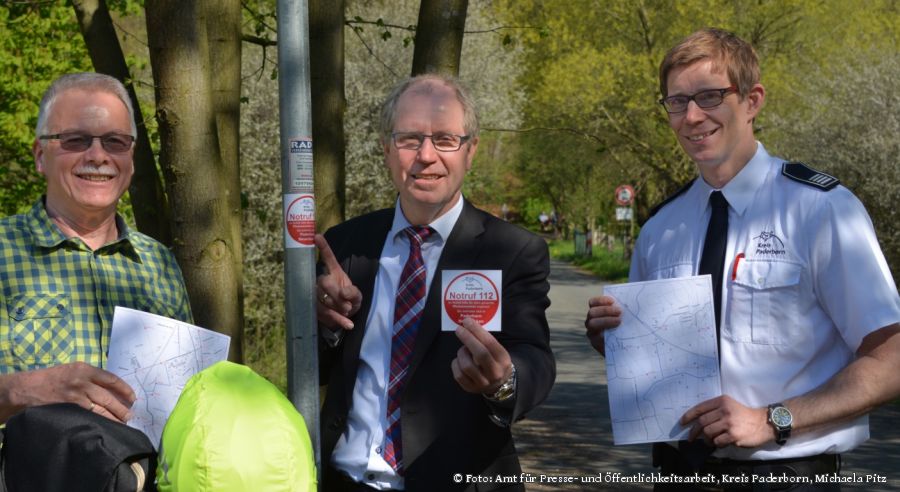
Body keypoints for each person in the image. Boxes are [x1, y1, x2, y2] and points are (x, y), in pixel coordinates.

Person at [584, 28, 900, 490]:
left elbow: (891, 359)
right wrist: (615, 341)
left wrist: (773, 420)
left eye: (710, 96)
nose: (692, 116)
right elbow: (654, 368)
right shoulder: (659, 230)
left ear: (752, 101)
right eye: (676, 102)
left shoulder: (820, 210)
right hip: (675, 472)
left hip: (786, 475)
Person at [315, 74, 555, 491]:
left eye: (445, 139)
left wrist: (504, 381)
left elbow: (535, 356)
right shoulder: (346, 247)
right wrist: (326, 327)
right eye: (410, 139)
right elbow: (313, 368)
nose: (427, 155)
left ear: (471, 151)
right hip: (342, 479)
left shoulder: (512, 250)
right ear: (388, 149)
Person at [0, 73, 193, 425]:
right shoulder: (3, 250)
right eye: (75, 140)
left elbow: (186, 401)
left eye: (115, 142)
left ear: (131, 159)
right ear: (40, 155)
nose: (98, 156)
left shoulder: (160, 263)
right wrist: (23, 390)